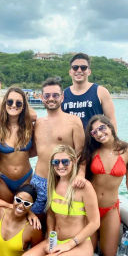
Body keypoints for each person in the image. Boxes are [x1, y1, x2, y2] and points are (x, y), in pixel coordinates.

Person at [19, 145, 100, 256]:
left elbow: (95, 222)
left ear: (74, 161)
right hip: (58, 239)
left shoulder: (83, 186)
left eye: (65, 161)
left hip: (79, 245)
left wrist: (70, 244)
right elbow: (51, 213)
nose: (60, 166)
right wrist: (51, 238)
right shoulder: (53, 182)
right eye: (56, 162)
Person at [79, 115, 128, 256]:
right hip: (89, 208)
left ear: (110, 127)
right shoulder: (92, 150)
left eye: (101, 128)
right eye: (94, 132)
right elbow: (81, 167)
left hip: (110, 209)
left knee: (110, 255)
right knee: (88, 253)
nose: (99, 134)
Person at [31, 77, 85, 216]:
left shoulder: (73, 121)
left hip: (62, 182)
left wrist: (81, 174)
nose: (51, 98)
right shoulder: (38, 123)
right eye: (47, 95)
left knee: (59, 223)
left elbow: (81, 152)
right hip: (39, 181)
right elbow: (33, 151)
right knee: (34, 220)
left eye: (55, 95)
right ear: (42, 98)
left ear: (62, 97)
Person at [0, 87, 34, 203]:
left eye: (19, 103)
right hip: (3, 179)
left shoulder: (30, 128)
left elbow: (37, 150)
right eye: (10, 102)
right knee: (4, 212)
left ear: (23, 106)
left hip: (26, 177)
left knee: (23, 216)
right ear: (5, 103)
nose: (13, 105)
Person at [62, 52, 117, 131]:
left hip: (95, 140)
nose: (79, 70)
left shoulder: (101, 92)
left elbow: (111, 120)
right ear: (70, 72)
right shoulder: (63, 95)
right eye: (75, 67)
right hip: (71, 141)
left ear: (89, 71)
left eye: (83, 67)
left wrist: (113, 142)